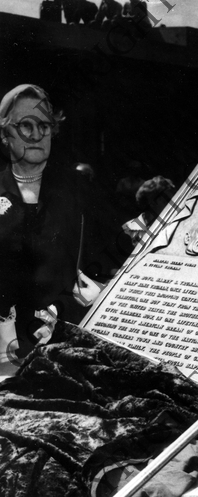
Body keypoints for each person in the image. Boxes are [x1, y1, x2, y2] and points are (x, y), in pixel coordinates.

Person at [0, 84, 113, 359]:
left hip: (66, 341)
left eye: (44, 125)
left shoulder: (78, 191)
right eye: (25, 125)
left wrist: (96, 289)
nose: (36, 135)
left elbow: (108, 258)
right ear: (4, 134)